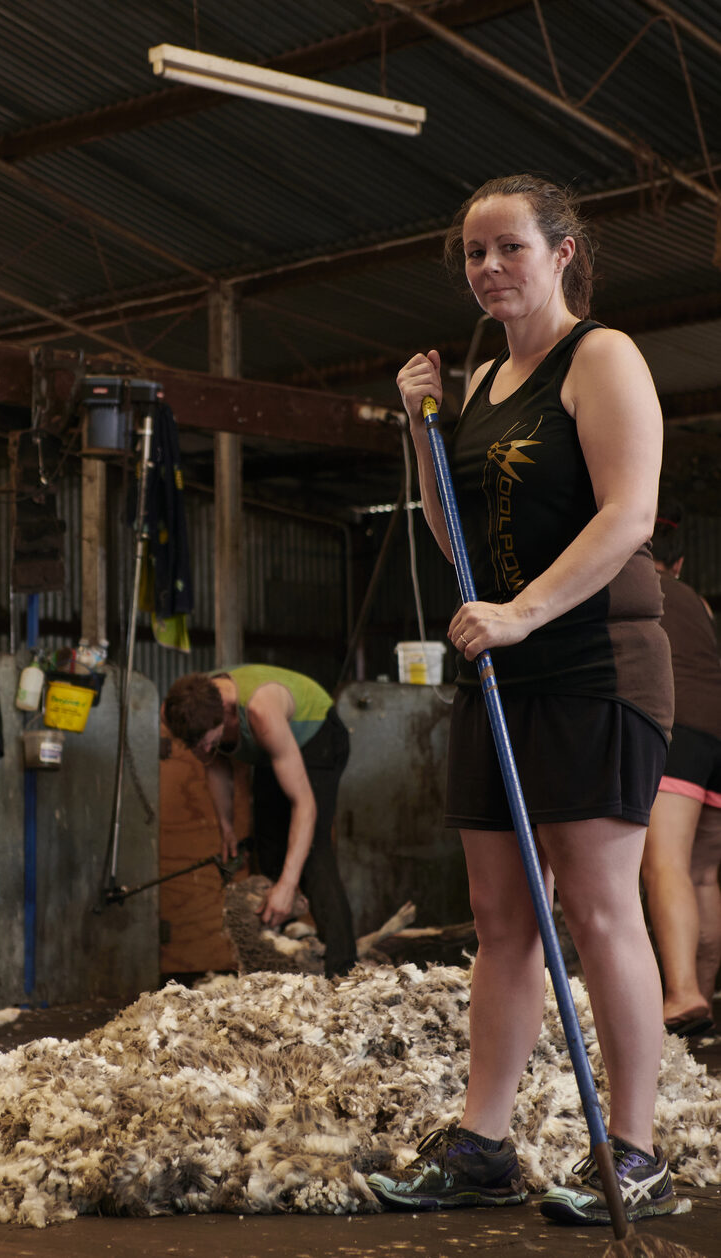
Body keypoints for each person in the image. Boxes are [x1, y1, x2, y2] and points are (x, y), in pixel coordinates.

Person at [365, 174, 676, 1227]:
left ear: (562, 251)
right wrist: (421, 426)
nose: (487, 267)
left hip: (592, 657)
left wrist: (525, 612)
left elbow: (629, 514)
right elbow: (460, 547)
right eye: (471, 254)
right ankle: (482, 1148)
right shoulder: (485, 378)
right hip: (504, 659)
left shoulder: (603, 358)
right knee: (502, 918)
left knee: (594, 907)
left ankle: (634, 1150)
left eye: (507, 248)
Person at [163, 665, 356, 978]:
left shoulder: (260, 711)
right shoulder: (188, 711)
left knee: (312, 853)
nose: (204, 751)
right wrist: (226, 828)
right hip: (275, 746)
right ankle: (274, 971)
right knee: (268, 849)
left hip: (318, 735)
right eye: (197, 745)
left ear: (226, 713)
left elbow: (304, 805)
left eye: (210, 741)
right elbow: (215, 762)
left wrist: (288, 886)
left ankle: (343, 971)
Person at [640, 506, 721, 1038]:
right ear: (681, 562)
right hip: (717, 736)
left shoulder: (629, 586)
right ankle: (703, 997)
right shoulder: (701, 604)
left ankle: (682, 992)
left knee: (663, 864)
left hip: (676, 732)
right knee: (703, 874)